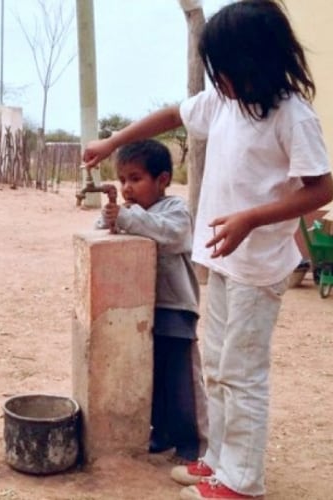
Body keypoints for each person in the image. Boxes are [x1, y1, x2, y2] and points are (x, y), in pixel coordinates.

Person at [82, 1, 333, 498]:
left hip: (257, 267)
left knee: (241, 372)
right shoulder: (224, 103)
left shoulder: (291, 116)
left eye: (225, 68)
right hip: (220, 259)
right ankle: (219, 461)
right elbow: (173, 113)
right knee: (217, 364)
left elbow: (320, 190)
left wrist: (251, 218)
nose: (218, 79)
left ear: (257, 60)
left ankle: (242, 482)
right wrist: (114, 141)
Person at [94, 139, 208, 464]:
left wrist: (126, 218)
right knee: (152, 376)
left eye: (136, 178)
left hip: (175, 307)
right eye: (123, 180)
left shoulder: (175, 211)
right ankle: (162, 432)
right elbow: (102, 233)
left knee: (181, 378)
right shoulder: (130, 212)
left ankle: (194, 443)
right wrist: (109, 219)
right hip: (140, 309)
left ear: (163, 180)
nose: (127, 188)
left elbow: (171, 236)